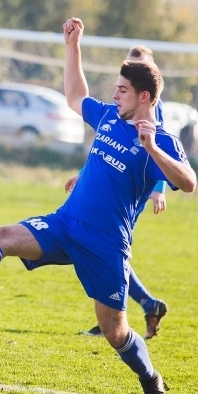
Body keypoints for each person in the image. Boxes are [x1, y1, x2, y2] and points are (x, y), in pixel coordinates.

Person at [0, 17, 197, 394]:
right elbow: (76, 96)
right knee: (3, 236)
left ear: (144, 97)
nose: (115, 96)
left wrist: (153, 150)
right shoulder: (111, 116)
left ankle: (150, 378)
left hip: (105, 245)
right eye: (115, 89)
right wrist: (72, 46)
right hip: (64, 224)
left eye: (123, 91)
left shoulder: (162, 141)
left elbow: (190, 182)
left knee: (114, 331)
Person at [70, 45, 168, 340]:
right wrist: (83, 176)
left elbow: (156, 149)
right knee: (99, 248)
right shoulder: (120, 104)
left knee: (107, 249)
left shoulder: (152, 106)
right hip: (115, 185)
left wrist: (159, 188)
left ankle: (114, 318)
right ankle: (140, 306)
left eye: (139, 64)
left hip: (131, 192)